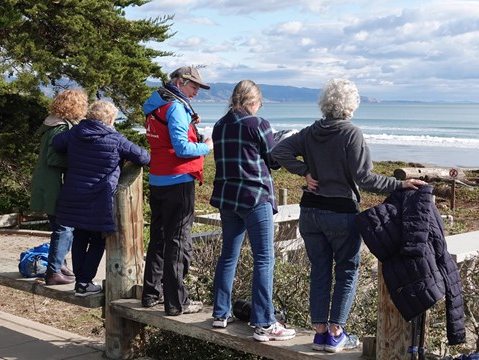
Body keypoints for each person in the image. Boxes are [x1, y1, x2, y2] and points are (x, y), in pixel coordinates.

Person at [271, 78, 427, 352]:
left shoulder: (311, 131)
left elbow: (279, 150)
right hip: (341, 213)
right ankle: (336, 332)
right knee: (346, 270)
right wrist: (400, 184)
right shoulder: (351, 134)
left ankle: (319, 333)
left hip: (310, 212)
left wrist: (304, 171)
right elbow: (364, 179)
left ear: (325, 103)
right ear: (351, 105)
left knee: (319, 271)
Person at [210, 80, 296, 342]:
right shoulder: (258, 124)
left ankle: (220, 314)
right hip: (255, 196)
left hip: (227, 198)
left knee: (228, 256)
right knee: (264, 259)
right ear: (252, 102)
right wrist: (283, 142)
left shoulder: (219, 126)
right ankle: (264, 323)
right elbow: (272, 160)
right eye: (259, 103)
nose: (259, 108)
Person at [52, 100, 150, 297]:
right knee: (98, 239)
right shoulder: (116, 139)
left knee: (80, 236)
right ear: (111, 119)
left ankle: (81, 282)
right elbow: (144, 157)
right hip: (99, 197)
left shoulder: (75, 133)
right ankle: (85, 282)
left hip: (74, 194)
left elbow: (56, 143)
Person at [141, 66, 213, 316]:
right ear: (180, 82)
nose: (196, 93)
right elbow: (182, 148)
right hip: (178, 180)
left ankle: (151, 293)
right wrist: (206, 147)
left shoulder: (156, 106)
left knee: (159, 237)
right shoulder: (175, 108)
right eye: (194, 87)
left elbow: (162, 139)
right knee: (178, 240)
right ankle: (176, 302)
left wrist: (188, 123)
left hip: (158, 178)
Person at [29, 89, 87, 285]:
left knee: (60, 227)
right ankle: (53, 271)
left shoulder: (53, 123)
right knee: (64, 227)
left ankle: (59, 264)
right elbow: (54, 157)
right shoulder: (61, 128)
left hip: (48, 182)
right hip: (55, 184)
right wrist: (79, 162)